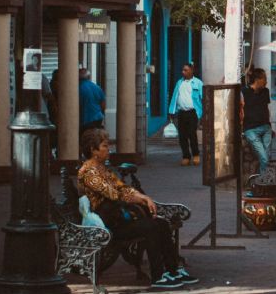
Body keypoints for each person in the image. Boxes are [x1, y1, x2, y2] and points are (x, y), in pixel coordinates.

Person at [78, 129, 197, 289]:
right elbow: (114, 194)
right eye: (105, 146)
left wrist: (143, 197)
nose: (109, 150)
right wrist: (139, 198)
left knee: (161, 224)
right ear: (93, 150)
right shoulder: (88, 172)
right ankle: (157, 276)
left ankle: (173, 269)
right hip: (105, 225)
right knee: (151, 227)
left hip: (117, 219)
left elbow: (123, 187)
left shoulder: (101, 168)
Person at [168, 63, 203, 166]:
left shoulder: (198, 83)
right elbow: (174, 97)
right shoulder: (179, 83)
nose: (183, 72)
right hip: (181, 113)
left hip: (193, 113)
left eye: (186, 70)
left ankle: (196, 155)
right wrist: (171, 111)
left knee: (192, 134)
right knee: (182, 136)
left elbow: (204, 98)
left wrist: (204, 113)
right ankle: (186, 156)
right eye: (183, 70)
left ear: (192, 70)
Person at [241, 68, 274, 174]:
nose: (266, 81)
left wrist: (270, 125)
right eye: (264, 79)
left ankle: (262, 180)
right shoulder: (244, 92)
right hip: (250, 129)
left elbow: (266, 109)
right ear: (257, 79)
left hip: (266, 127)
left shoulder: (265, 91)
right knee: (264, 157)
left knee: (267, 156)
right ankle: (263, 182)